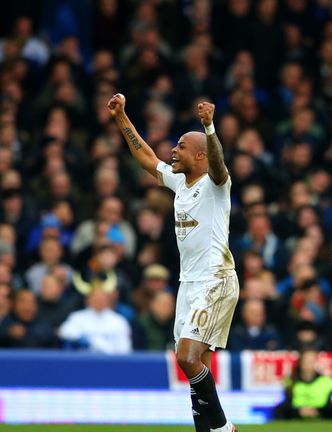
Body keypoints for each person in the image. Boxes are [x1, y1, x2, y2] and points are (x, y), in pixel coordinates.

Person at [108, 93, 238, 432]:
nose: (173, 151)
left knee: (186, 357)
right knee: (196, 368)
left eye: (180, 147)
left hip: (216, 279)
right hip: (189, 283)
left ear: (199, 155)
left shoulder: (215, 184)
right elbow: (147, 158)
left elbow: (220, 166)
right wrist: (122, 117)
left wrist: (209, 127)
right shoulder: (180, 181)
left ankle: (224, 428)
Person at [272, 349, 332, 420]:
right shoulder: (291, 381)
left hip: (322, 412)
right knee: (279, 409)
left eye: (311, 362)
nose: (308, 365)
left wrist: (316, 411)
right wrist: (299, 411)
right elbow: (287, 402)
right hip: (295, 412)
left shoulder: (327, 381)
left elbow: (329, 404)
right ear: (300, 363)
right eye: (306, 362)